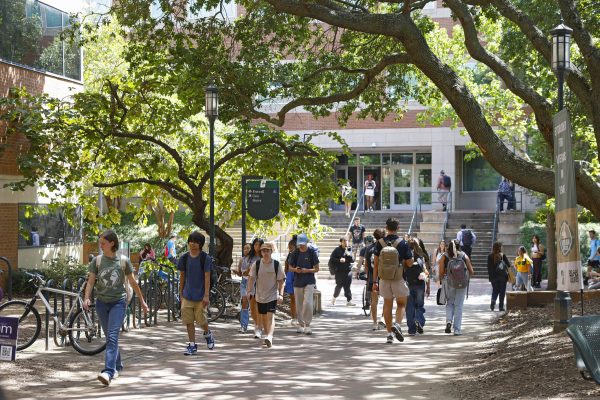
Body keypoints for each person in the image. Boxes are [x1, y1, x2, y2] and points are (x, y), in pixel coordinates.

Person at [83, 230, 149, 386]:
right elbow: (91, 282)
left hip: (118, 303)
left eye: (103, 242)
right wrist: (86, 297)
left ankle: (108, 372)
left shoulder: (123, 261)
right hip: (101, 303)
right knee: (110, 338)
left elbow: (133, 283)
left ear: (112, 243)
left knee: (112, 336)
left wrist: (142, 301)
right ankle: (117, 366)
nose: (100, 245)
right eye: (100, 242)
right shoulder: (97, 261)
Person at [373, 217, 413, 344]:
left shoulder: (379, 243)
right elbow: (410, 263)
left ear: (386, 228)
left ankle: (389, 334)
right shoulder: (402, 243)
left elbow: (376, 262)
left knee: (387, 304)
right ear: (398, 228)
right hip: (398, 277)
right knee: (401, 304)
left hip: (383, 278)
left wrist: (374, 281)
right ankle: (398, 324)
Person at [177, 231, 216, 355]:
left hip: (200, 296)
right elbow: (182, 276)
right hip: (187, 295)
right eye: (191, 241)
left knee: (201, 320)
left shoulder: (205, 258)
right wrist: (181, 293)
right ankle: (192, 345)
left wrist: (206, 295)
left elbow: (207, 277)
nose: (193, 244)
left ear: (200, 244)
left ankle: (208, 333)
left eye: (196, 242)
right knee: (188, 321)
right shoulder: (184, 258)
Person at [247, 242, 285, 348]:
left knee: (270, 316)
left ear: (271, 252)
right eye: (263, 251)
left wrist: (280, 294)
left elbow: (281, 281)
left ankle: (269, 336)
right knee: (263, 317)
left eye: (267, 250)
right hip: (260, 295)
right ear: (261, 252)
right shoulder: (257, 264)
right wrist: (249, 291)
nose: (265, 253)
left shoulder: (276, 265)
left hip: (272, 295)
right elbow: (251, 278)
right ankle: (267, 337)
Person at [438, 239, 474, 336]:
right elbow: (471, 271)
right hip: (462, 284)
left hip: (449, 283)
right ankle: (457, 330)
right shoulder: (463, 255)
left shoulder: (444, 256)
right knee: (459, 305)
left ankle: (449, 321)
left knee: (449, 303)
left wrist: (442, 280)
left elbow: (440, 273)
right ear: (459, 246)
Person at [289, 233, 319, 335]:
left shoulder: (311, 252)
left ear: (306, 242)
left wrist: (307, 270)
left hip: (309, 281)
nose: (301, 246)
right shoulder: (295, 253)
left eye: (303, 244)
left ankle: (308, 325)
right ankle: (301, 325)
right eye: (299, 244)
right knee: (299, 303)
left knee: (308, 302)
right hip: (297, 281)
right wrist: (295, 270)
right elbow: (289, 267)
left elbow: (317, 269)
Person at [405, 239, 429, 336]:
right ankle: (418, 320)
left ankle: (411, 329)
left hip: (408, 284)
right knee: (419, 305)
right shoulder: (421, 256)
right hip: (420, 284)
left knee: (409, 307)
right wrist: (428, 286)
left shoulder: (404, 257)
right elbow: (425, 271)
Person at [329, 237, 355, 306]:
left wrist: (348, 254)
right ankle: (334, 298)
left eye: (347, 241)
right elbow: (332, 259)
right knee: (339, 286)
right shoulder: (337, 250)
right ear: (341, 242)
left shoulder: (349, 249)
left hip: (348, 271)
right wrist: (339, 260)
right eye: (344, 241)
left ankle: (349, 300)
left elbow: (352, 260)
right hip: (339, 271)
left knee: (347, 286)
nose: (346, 243)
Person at [248, 237, 265, 338]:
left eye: (259, 245)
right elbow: (244, 271)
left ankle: (259, 327)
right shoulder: (250, 258)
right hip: (251, 283)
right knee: (252, 306)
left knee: (259, 306)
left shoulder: (264, 257)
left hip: (261, 284)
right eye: (255, 245)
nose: (257, 247)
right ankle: (257, 324)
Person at [487, 242, 510, 312]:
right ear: (500, 247)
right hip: (503, 277)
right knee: (502, 292)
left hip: (494, 278)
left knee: (495, 290)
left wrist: (491, 278)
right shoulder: (502, 255)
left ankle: (493, 301)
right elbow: (508, 265)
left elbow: (489, 268)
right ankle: (501, 307)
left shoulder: (490, 256)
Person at [235, 243, 252, 332]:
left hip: (253, 283)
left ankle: (259, 325)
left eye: (248, 248)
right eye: (244, 248)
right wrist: (236, 272)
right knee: (244, 302)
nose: (246, 250)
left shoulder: (254, 260)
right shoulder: (241, 260)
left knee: (253, 304)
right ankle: (243, 325)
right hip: (244, 283)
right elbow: (240, 273)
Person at [284, 237, 298, 325]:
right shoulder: (290, 254)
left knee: (298, 298)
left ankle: (298, 317)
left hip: (297, 276)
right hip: (290, 276)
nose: (289, 249)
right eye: (289, 247)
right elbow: (286, 265)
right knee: (292, 298)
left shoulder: (299, 255)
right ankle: (293, 317)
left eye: (291, 247)